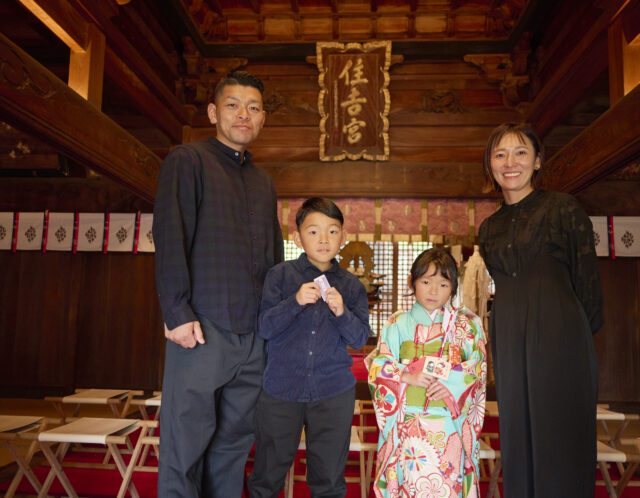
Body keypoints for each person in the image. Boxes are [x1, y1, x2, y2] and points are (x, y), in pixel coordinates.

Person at [152, 71, 284, 497]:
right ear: (213, 112)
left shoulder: (263, 182)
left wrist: (275, 323)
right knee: (184, 442)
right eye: (232, 105)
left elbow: (274, 258)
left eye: (252, 107)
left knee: (232, 445)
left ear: (262, 118)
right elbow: (171, 236)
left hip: (254, 335)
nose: (242, 115)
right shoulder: (187, 160)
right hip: (201, 328)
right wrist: (176, 312)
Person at [477, 122, 603, 497]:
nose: (509, 162)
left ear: (537, 161)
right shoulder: (488, 227)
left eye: (520, 152)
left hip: (561, 342)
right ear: (490, 165)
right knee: (517, 436)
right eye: (500, 154)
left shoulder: (562, 208)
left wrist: (567, 337)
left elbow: (589, 288)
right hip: (511, 343)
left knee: (560, 436)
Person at [247, 197, 370, 498]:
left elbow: (359, 339)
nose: (324, 239)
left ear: (344, 237)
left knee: (328, 480)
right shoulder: (280, 276)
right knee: (267, 474)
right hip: (281, 389)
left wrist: (342, 313)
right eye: (313, 231)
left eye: (332, 231)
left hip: (333, 392)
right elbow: (264, 328)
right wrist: (295, 302)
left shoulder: (352, 286)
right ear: (297, 236)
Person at [368, 247, 487, 498]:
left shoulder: (467, 326)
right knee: (411, 486)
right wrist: (405, 376)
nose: (434, 291)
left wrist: (452, 386)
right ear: (413, 282)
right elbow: (378, 365)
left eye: (443, 284)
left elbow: (477, 368)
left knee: (447, 487)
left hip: (449, 423)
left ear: (453, 288)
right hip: (409, 423)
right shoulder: (396, 323)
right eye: (426, 281)